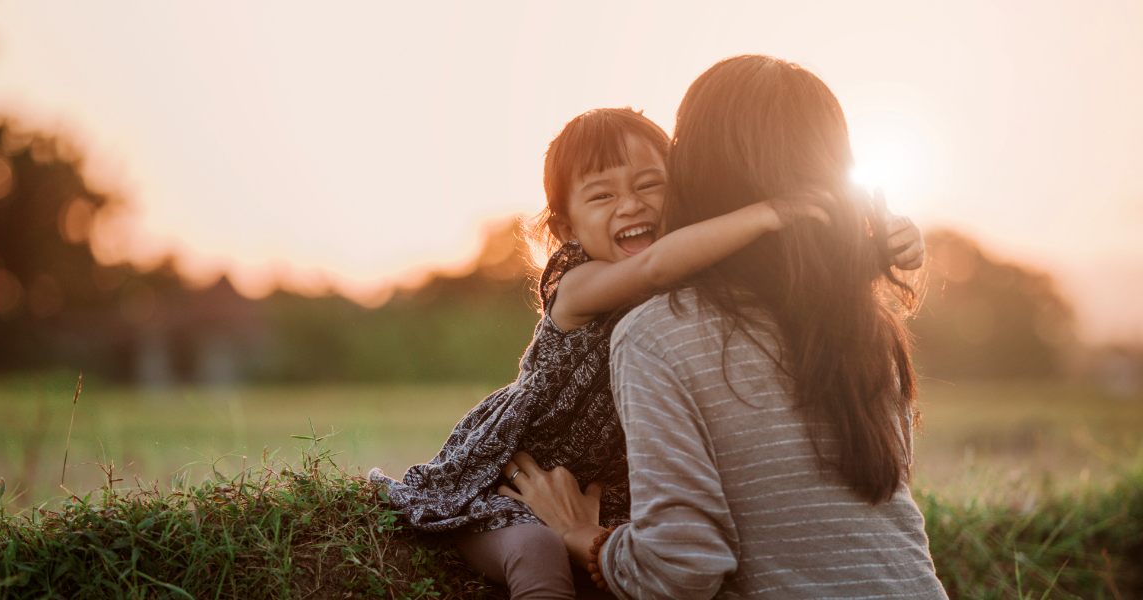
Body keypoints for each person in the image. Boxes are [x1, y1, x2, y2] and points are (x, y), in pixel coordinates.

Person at [369, 107, 926, 599]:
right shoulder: (580, 285)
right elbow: (654, 268)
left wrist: (883, 238)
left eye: (649, 185)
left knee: (643, 565)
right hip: (516, 482)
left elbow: (776, 268)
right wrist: (769, 212)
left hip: (606, 496)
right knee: (538, 553)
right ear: (565, 226)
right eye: (603, 195)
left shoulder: (690, 270)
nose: (630, 205)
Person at [501, 56, 949, 599]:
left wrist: (580, 535)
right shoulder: (864, 326)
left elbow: (680, 571)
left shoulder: (660, 333)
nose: (634, 203)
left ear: (692, 172)